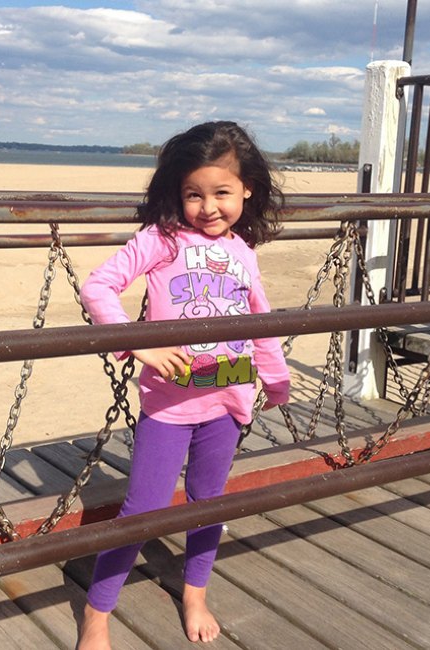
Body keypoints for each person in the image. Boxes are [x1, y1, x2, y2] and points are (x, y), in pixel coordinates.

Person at [76, 121, 291, 648]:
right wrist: (137, 342)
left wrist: (277, 377)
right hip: (170, 403)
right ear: (178, 192)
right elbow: (97, 286)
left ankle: (195, 593)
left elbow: (257, 318)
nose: (208, 206)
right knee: (142, 510)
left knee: (208, 501)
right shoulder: (161, 239)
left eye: (221, 192)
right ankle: (97, 614)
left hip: (228, 395)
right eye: (194, 194)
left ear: (247, 191)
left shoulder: (243, 251)